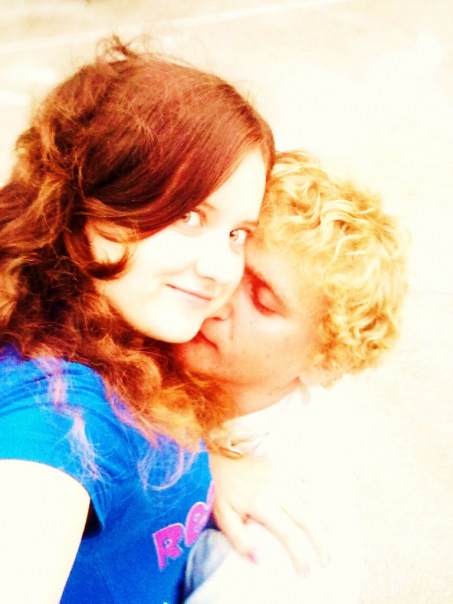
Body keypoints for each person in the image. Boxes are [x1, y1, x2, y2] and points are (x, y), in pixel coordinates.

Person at [0, 36, 280, 604]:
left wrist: (214, 463)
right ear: (87, 201)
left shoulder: (123, 333)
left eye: (237, 232)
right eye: (189, 215)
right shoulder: (57, 422)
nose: (220, 268)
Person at [175, 150, 409, 603]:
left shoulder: (270, 544)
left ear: (324, 361)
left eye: (262, 301)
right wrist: (199, 467)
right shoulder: (178, 335)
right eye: (233, 256)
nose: (216, 294)